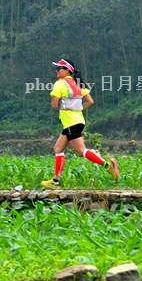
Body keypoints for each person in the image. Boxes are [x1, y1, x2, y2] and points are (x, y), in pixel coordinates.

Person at [41, 58, 119, 189]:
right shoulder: (78, 84)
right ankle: (55, 180)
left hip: (71, 123)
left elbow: (54, 105)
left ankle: (107, 165)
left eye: (59, 68)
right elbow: (90, 102)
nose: (57, 71)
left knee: (81, 150)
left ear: (67, 70)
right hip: (77, 121)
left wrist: (59, 103)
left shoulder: (59, 84)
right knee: (58, 149)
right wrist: (78, 110)